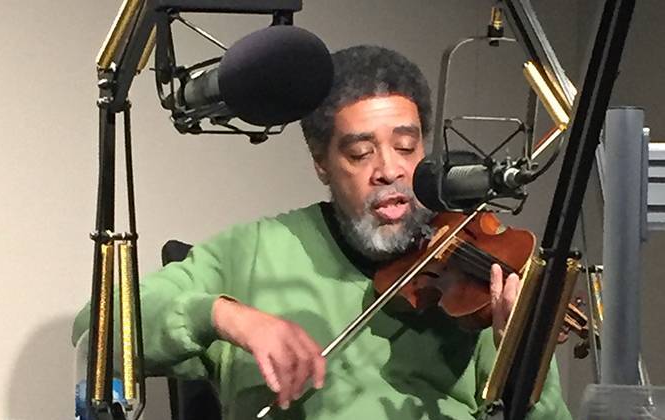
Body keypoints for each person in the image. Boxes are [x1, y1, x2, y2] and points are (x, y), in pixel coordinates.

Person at [73, 45, 571, 420]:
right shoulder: (254, 251)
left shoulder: (481, 274)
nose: (388, 170)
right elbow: (93, 330)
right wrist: (225, 316)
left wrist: (523, 358)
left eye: (406, 146)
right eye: (360, 154)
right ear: (321, 164)